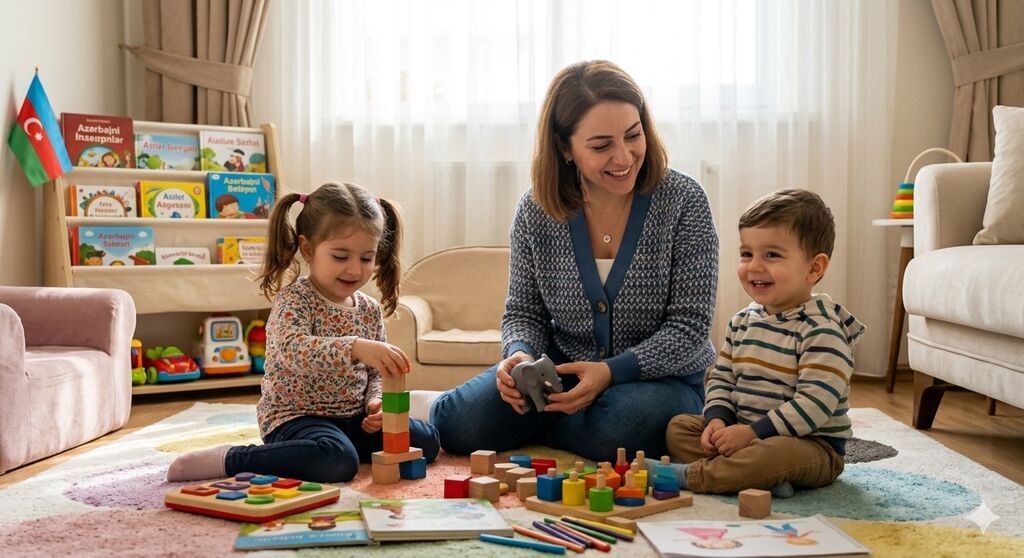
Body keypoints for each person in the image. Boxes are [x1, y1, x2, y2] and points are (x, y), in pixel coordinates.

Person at [430, 60, 719, 461]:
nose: (624, 156)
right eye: (601, 146)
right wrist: (520, 354)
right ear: (565, 148)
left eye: (633, 136)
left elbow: (689, 327)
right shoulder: (536, 210)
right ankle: (562, 420)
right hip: (560, 376)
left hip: (661, 380)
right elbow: (523, 311)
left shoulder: (685, 201)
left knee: (617, 426)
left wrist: (610, 372)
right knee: (455, 425)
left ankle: (549, 424)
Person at [166, 182, 440, 482]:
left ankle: (338, 449)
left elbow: (375, 374)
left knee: (427, 440)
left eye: (366, 258)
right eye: (340, 256)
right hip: (296, 418)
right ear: (308, 248)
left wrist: (377, 404)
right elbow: (292, 350)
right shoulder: (296, 299)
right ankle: (233, 459)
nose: (354, 269)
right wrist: (354, 347)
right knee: (336, 460)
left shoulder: (369, 308)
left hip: (354, 419)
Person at [656, 189, 865, 496]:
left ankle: (698, 476)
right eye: (746, 254)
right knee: (679, 429)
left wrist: (753, 433)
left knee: (774, 455)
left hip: (810, 446)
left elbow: (814, 405)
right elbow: (722, 378)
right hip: (745, 431)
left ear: (814, 268)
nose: (754, 266)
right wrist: (718, 419)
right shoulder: (742, 321)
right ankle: (761, 476)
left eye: (772, 255)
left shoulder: (822, 329)